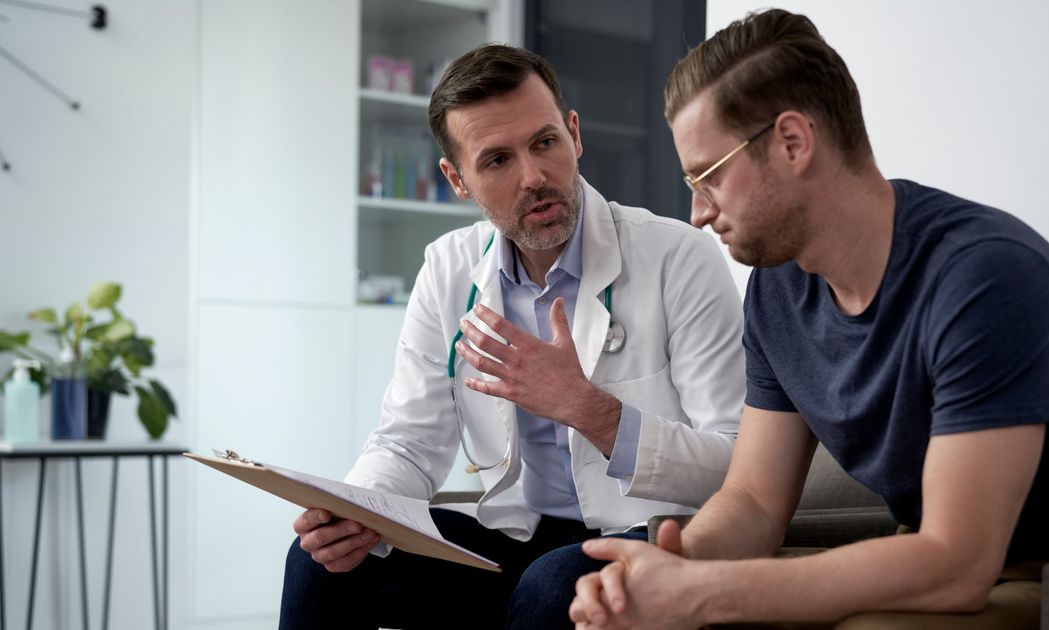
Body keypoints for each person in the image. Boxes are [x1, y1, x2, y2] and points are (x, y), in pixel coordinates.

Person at [569, 9, 1049, 629]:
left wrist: (705, 594)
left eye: (708, 177)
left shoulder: (987, 278)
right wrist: (676, 567)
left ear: (792, 142)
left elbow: (957, 561)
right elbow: (754, 499)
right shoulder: (777, 291)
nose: (698, 213)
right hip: (940, 561)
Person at [277, 44, 745, 630]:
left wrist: (590, 410)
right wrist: (355, 511)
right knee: (321, 562)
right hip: (513, 540)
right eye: (497, 160)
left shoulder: (677, 257)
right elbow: (408, 443)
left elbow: (735, 464)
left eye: (545, 142)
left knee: (552, 585)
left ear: (575, 135)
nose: (534, 177)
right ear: (458, 179)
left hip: (646, 533)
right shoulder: (448, 268)